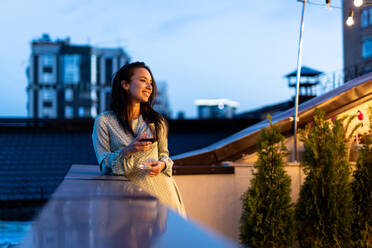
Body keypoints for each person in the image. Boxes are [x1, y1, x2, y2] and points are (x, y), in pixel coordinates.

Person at [92, 62, 186, 217]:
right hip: (129, 202)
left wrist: (162, 164)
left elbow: (164, 155)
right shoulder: (104, 121)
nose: (149, 87)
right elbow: (104, 166)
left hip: (164, 195)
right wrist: (128, 150)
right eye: (143, 80)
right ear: (125, 85)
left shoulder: (157, 121)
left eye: (151, 83)